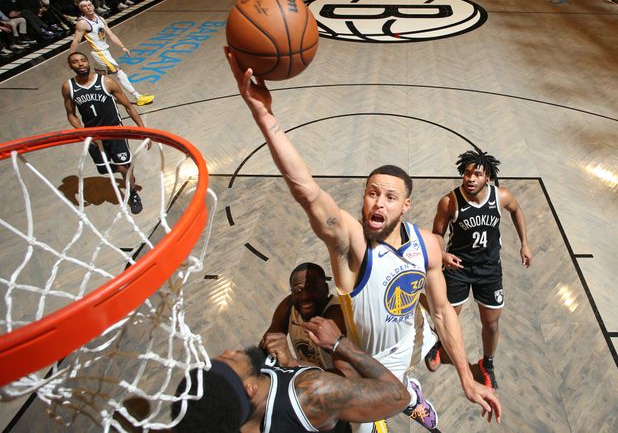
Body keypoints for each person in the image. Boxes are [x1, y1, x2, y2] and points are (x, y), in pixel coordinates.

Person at [225, 48, 502, 432]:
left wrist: (466, 378)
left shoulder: (427, 244)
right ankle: (406, 394)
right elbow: (306, 190)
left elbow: (441, 314)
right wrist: (264, 115)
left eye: (389, 197)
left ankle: (409, 389)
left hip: (409, 344)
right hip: (361, 358)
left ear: (406, 205)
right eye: (372, 193)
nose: (377, 202)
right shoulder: (351, 242)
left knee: (403, 376)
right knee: (361, 421)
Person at [172, 317, 409, 432]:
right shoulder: (312, 392)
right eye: (228, 362)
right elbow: (398, 396)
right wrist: (338, 343)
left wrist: (292, 363)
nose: (228, 352)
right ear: (250, 389)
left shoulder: (222, 421)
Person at [427, 149, 531, 390]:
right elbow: (437, 234)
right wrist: (442, 254)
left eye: (477, 174)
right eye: (467, 173)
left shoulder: (501, 196)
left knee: (492, 324)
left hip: (489, 269)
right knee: (446, 316)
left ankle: (488, 364)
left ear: (488, 178)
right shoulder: (449, 201)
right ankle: (440, 345)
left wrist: (524, 243)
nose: (470, 178)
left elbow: (516, 210)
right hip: (458, 267)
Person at [62, 52, 146, 214]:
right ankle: (126, 171)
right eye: (75, 62)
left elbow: (128, 106)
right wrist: (82, 132)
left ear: (88, 62)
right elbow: (71, 114)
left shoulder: (106, 81)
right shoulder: (68, 87)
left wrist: (142, 129)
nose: (80, 64)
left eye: (83, 60)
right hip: (94, 135)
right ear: (70, 66)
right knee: (105, 170)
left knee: (123, 167)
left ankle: (133, 194)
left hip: (115, 130)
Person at [69, 0, 154, 106]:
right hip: (100, 53)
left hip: (104, 51)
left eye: (89, 5)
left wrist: (122, 46)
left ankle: (93, 97)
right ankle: (138, 97)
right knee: (120, 73)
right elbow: (76, 40)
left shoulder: (100, 18)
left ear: (93, 5)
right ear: (81, 9)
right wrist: (71, 57)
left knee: (99, 76)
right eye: (84, 6)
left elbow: (111, 34)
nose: (88, 7)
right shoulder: (82, 23)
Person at [260, 262, 346, 370]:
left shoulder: (336, 315)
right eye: (298, 290)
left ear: (325, 288)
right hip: (307, 378)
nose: (304, 296)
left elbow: (346, 376)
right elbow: (264, 351)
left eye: (311, 288)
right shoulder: (288, 306)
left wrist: (293, 362)